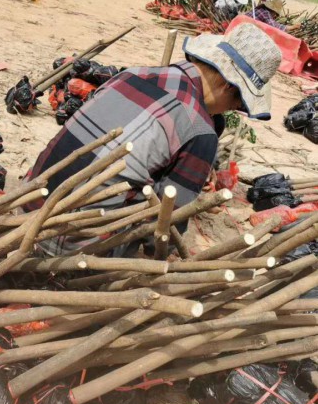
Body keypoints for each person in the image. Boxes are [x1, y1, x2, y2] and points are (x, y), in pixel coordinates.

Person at [24, 23, 281, 257]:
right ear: (228, 86)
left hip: (27, 210)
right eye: (238, 103)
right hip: (69, 247)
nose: (230, 110)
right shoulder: (200, 130)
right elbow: (164, 227)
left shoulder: (134, 74)